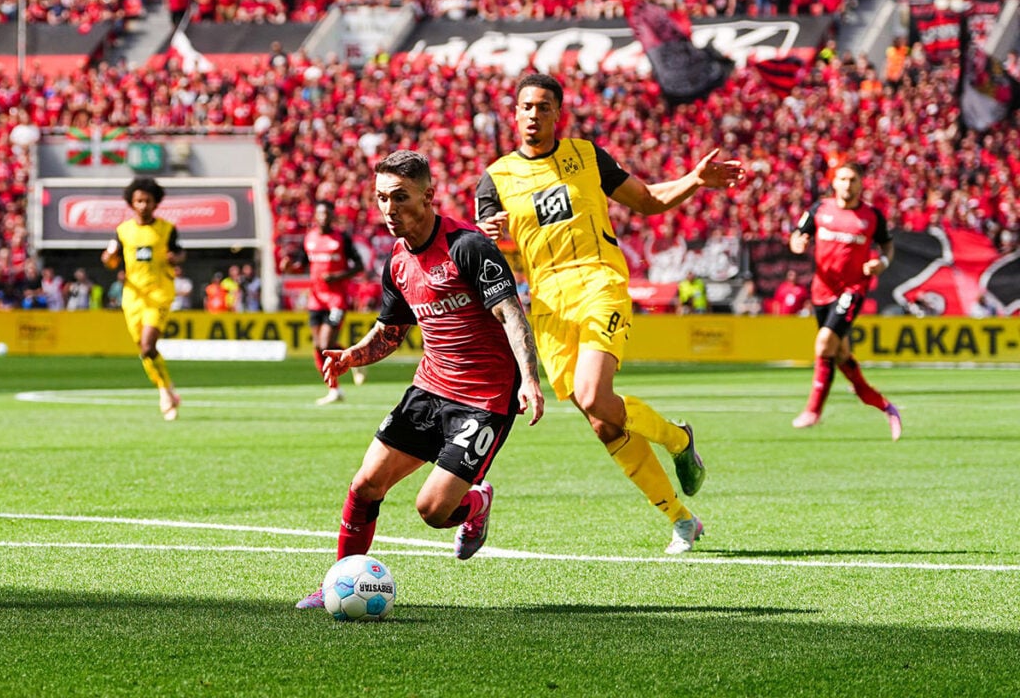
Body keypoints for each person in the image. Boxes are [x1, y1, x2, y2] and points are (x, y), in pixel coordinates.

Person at [474, 73, 744, 554]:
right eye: (526, 106)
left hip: (599, 282)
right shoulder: (495, 178)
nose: (533, 115)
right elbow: (482, 245)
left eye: (543, 106)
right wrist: (487, 233)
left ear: (558, 114)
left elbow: (647, 200)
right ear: (514, 114)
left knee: (594, 395)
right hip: (549, 306)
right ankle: (681, 519)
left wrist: (695, 180)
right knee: (603, 422)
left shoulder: (586, 156)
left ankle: (678, 440)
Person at [296, 150, 544, 609]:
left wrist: (529, 379)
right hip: (429, 389)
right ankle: (335, 582)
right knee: (365, 485)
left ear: (429, 196)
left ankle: (476, 504)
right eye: (381, 198)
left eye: (400, 197)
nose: (389, 209)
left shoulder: (468, 247)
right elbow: (391, 331)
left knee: (432, 511)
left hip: (484, 400)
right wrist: (352, 356)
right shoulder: (396, 260)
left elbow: (512, 313)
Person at [788, 162, 901, 440]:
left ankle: (813, 411)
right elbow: (797, 234)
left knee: (824, 343)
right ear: (834, 182)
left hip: (853, 289)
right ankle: (881, 404)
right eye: (843, 179)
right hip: (821, 290)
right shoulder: (819, 209)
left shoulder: (871, 216)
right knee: (839, 354)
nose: (847, 184)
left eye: (852, 180)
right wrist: (797, 243)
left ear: (861, 184)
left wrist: (882, 263)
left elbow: (887, 246)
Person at [101, 176, 186, 421]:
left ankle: (164, 394)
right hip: (133, 296)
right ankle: (166, 387)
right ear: (131, 202)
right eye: (139, 201)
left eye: (148, 201)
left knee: (148, 345)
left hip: (159, 293)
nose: (143, 205)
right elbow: (111, 260)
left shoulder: (166, 229)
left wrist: (175, 258)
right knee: (145, 350)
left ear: (155, 203)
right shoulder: (123, 231)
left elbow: (180, 253)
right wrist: (108, 259)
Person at [279, 199, 366, 404]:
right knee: (318, 347)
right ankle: (334, 390)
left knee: (326, 343)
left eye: (327, 214)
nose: (323, 217)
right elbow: (301, 265)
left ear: (332, 216)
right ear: (315, 216)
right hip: (316, 299)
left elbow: (359, 266)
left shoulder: (342, 238)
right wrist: (290, 267)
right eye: (320, 213)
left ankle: (356, 359)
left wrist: (337, 277)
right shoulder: (309, 238)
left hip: (336, 299)